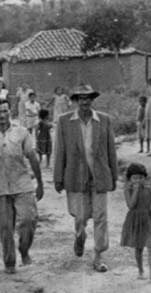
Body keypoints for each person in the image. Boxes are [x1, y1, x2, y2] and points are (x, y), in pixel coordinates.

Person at [54, 84, 118, 273]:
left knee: (100, 217)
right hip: (76, 175)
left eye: (88, 98)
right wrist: (59, 177)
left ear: (92, 100)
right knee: (80, 217)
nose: (85, 102)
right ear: (76, 100)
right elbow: (60, 151)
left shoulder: (104, 120)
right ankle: (79, 236)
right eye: (81, 98)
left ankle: (99, 255)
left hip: (99, 175)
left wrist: (113, 176)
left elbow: (111, 150)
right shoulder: (65, 122)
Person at [0, 98, 44, 274]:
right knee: (5, 227)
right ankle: (9, 262)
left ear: (10, 112)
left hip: (22, 184)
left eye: (5, 111)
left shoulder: (22, 132)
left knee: (29, 219)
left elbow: (32, 157)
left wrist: (40, 183)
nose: (2, 115)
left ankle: (24, 249)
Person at [120, 162, 151, 282]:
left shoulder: (147, 188)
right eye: (135, 178)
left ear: (145, 178)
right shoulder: (128, 190)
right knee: (138, 247)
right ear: (130, 179)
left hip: (148, 218)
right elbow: (131, 205)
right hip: (135, 219)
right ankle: (140, 270)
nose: (138, 180)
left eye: (140, 178)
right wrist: (136, 190)